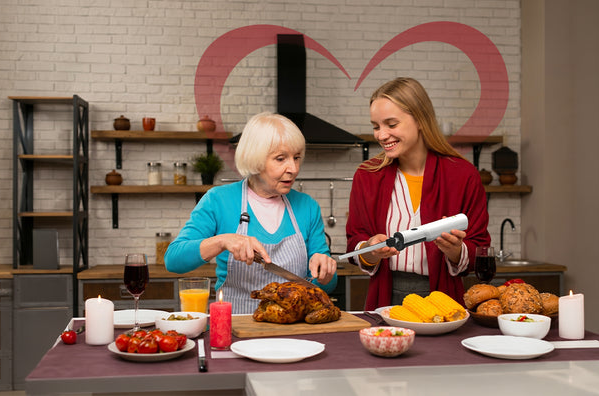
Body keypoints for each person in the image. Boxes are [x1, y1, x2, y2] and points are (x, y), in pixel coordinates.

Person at [165, 112, 338, 314]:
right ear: (255, 160)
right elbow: (173, 260)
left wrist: (325, 273)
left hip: (293, 327)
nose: (293, 168)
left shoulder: (307, 206)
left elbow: (327, 284)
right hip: (236, 326)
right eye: (281, 159)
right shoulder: (219, 200)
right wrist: (222, 241)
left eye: (297, 157)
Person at [346, 77, 490, 310]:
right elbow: (354, 241)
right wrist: (370, 250)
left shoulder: (463, 176)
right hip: (385, 298)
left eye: (391, 125)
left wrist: (456, 251)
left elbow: (481, 248)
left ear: (421, 120)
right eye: (376, 126)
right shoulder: (367, 176)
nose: (381, 135)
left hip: (444, 300)